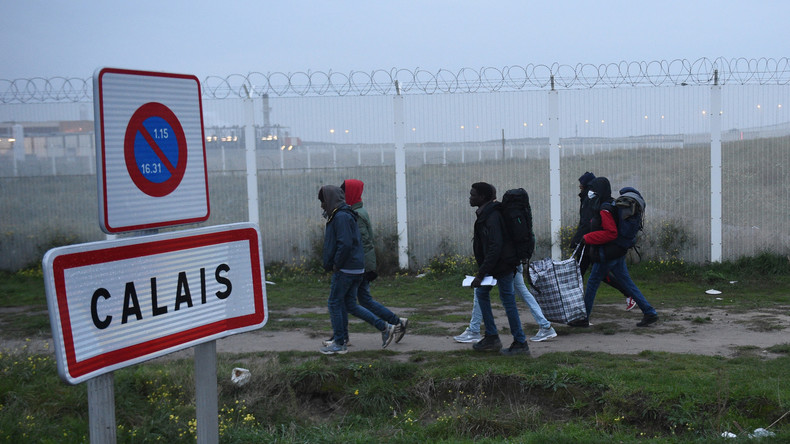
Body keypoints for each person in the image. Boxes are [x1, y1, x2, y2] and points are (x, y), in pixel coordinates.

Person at [322, 179, 407, 346]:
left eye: (344, 192)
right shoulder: (355, 210)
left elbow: (359, 242)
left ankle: (393, 323)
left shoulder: (355, 214)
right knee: (351, 302)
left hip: (357, 265)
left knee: (354, 302)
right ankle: (343, 335)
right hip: (358, 264)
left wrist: (346, 264)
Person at [577, 177, 659, 327]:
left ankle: (583, 317)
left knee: (592, 283)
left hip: (607, 253)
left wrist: (588, 237)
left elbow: (611, 233)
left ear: (600, 191)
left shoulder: (605, 209)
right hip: (617, 251)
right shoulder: (612, 203)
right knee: (627, 283)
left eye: (594, 190)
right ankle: (649, 312)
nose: (591, 193)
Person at [466, 182, 530, 355]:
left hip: (502, 265)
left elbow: (495, 246)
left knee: (508, 301)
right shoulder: (487, 213)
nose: (470, 197)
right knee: (482, 294)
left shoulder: (492, 217)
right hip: (498, 265)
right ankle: (492, 337)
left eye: (473, 195)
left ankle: (520, 342)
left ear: (483, 197)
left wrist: (481, 273)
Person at [570, 171, 636, 312]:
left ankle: (579, 309)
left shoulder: (593, 202)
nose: (580, 187)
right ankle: (631, 295)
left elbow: (588, 224)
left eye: (581, 185)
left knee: (585, 274)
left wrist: (580, 239)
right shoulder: (589, 200)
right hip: (589, 242)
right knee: (597, 275)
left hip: (589, 242)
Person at [453, 265, 557, 343]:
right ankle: (545, 326)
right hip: (514, 262)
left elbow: (495, 245)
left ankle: (474, 330)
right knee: (523, 293)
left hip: (500, 263)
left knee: (480, 291)